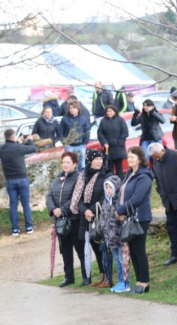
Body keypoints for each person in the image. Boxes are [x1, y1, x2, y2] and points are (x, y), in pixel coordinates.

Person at [70, 148, 112, 288]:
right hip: (86, 218)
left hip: (101, 215)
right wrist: (84, 211)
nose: (99, 161)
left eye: (101, 159)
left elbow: (106, 196)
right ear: (90, 160)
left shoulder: (107, 174)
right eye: (96, 159)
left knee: (103, 247)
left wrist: (92, 210)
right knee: (94, 246)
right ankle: (102, 276)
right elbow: (79, 197)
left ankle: (109, 277)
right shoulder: (83, 175)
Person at [115, 146, 154, 294]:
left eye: (132, 157)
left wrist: (119, 210)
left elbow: (136, 198)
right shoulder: (130, 173)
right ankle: (138, 282)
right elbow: (123, 194)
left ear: (140, 158)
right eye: (128, 157)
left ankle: (144, 283)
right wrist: (120, 212)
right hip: (129, 217)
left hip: (140, 218)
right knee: (132, 250)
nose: (129, 159)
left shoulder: (144, 176)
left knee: (139, 250)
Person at [148, 143, 177, 267]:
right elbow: (157, 179)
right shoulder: (156, 160)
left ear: (163, 150)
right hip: (168, 200)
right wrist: (161, 191)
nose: (156, 159)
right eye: (154, 158)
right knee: (171, 227)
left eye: (157, 156)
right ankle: (175, 254)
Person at [46, 152, 86, 287]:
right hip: (60, 222)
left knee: (80, 249)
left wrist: (62, 210)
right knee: (65, 250)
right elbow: (49, 196)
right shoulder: (58, 178)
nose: (65, 164)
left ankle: (86, 276)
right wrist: (53, 210)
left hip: (74, 220)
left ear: (75, 164)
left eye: (68, 162)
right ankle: (69, 277)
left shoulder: (78, 178)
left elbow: (76, 197)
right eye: (63, 162)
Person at [0, 129, 36, 236]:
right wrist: (30, 140)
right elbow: (32, 148)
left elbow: (11, 149)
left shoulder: (2, 148)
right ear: (14, 137)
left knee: (13, 205)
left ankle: (15, 229)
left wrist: (18, 142)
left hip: (10, 179)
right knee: (25, 204)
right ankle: (29, 227)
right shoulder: (19, 147)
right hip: (22, 178)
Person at [101, 175, 129, 292]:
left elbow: (122, 217)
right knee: (117, 260)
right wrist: (104, 229)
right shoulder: (106, 201)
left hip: (120, 236)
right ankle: (120, 281)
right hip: (110, 237)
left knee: (123, 260)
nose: (108, 190)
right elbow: (102, 217)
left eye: (110, 187)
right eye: (106, 187)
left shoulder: (120, 200)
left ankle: (126, 283)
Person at [97, 105, 129, 179]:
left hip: (118, 147)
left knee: (118, 165)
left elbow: (125, 132)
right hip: (108, 148)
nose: (109, 113)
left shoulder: (120, 120)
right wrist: (104, 142)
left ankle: (120, 180)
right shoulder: (103, 121)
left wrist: (120, 141)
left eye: (110, 111)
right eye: (107, 111)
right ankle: (110, 180)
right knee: (109, 165)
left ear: (114, 111)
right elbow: (100, 133)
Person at [60, 101, 91, 171]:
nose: (71, 109)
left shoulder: (83, 119)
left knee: (81, 164)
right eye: (70, 108)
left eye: (73, 108)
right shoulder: (65, 119)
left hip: (81, 145)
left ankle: (81, 179)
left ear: (78, 109)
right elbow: (61, 131)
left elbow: (87, 131)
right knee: (69, 164)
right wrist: (64, 142)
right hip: (69, 145)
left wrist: (85, 142)